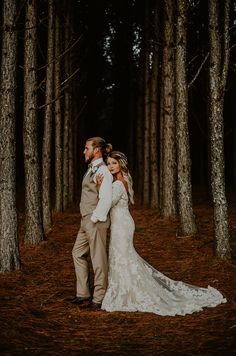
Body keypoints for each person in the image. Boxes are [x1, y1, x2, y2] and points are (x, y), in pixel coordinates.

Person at [96, 151, 226, 316]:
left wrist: (100, 187)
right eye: (108, 163)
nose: (110, 166)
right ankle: (125, 291)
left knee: (121, 256)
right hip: (123, 222)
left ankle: (125, 294)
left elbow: (107, 202)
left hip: (122, 225)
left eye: (114, 163)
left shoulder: (118, 184)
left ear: (121, 164)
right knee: (122, 256)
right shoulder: (124, 180)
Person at [71, 137, 113, 310]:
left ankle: (99, 298)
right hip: (85, 220)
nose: (84, 151)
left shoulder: (103, 171)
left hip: (95, 220)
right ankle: (83, 294)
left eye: (86, 148)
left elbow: (106, 199)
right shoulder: (91, 170)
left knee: (98, 259)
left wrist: (95, 218)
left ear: (96, 150)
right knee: (77, 253)